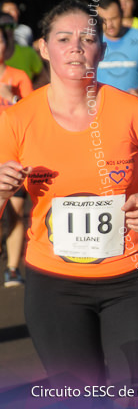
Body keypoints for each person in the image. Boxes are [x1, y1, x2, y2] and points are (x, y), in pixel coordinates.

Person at [0, 0, 138, 387]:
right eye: (63, 38)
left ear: (102, 49)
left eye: (87, 39)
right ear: (43, 48)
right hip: (54, 285)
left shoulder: (132, 111)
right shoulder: (15, 121)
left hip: (132, 279)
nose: (75, 48)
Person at [0, 22, 32, 286]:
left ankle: (12, 268)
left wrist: (11, 100)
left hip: (13, 155)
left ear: (6, 46)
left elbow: (32, 116)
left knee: (15, 213)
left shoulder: (19, 76)